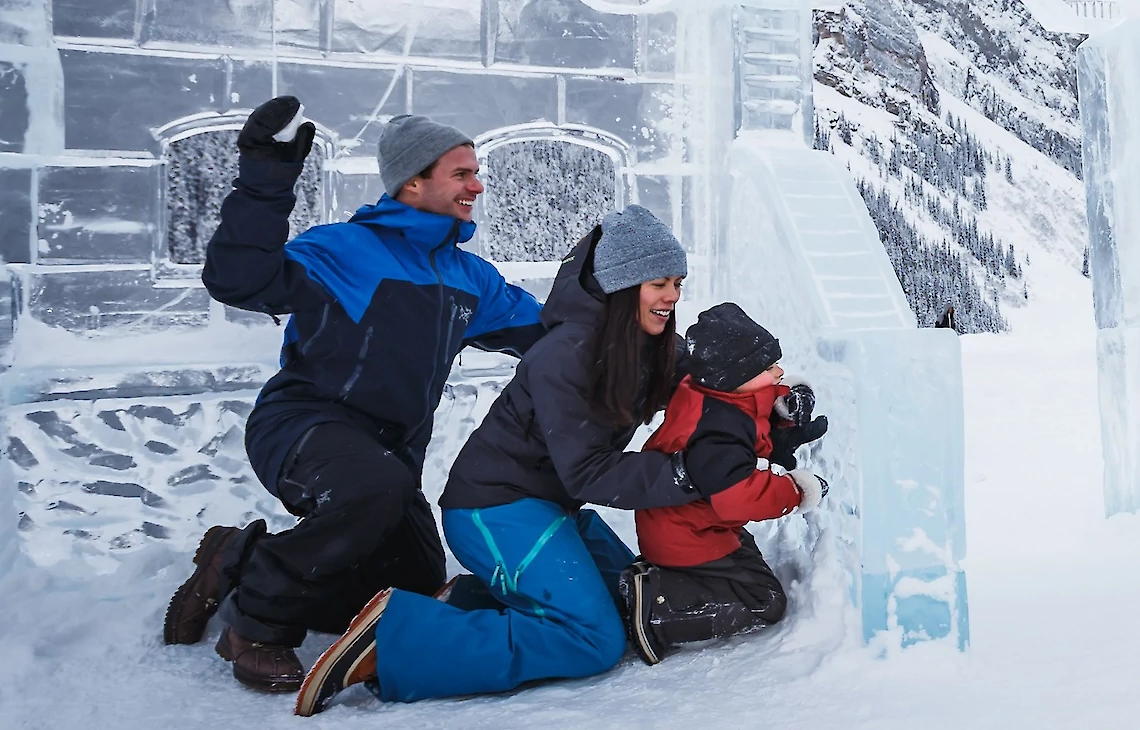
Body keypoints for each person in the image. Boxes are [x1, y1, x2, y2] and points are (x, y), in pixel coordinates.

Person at [289, 207, 825, 713]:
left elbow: (712, 388)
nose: (670, 297)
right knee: (593, 640)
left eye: (677, 284)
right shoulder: (566, 357)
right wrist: (689, 475)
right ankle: (401, 641)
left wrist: (775, 409)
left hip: (546, 509)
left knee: (628, 596)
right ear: (620, 285)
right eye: (658, 284)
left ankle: (468, 603)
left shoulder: (651, 344)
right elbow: (589, 472)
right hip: (494, 509)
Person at [163, 101, 547, 692]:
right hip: (303, 424)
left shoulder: (471, 278)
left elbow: (555, 338)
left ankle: (235, 560)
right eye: (461, 173)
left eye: (476, 172)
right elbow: (239, 280)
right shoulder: (344, 249)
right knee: (372, 489)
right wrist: (266, 181)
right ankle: (256, 624)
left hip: (387, 455)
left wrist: (659, 345)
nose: (478, 184)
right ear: (413, 182)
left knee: (410, 585)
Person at [624, 303, 828, 662]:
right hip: (687, 535)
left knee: (745, 560)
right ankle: (657, 611)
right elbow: (739, 497)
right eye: (769, 368)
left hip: (688, 524)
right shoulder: (718, 431)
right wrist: (797, 491)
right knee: (765, 600)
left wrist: (784, 405)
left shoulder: (711, 391)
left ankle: (668, 579)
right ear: (737, 376)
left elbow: (754, 400)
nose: (780, 372)